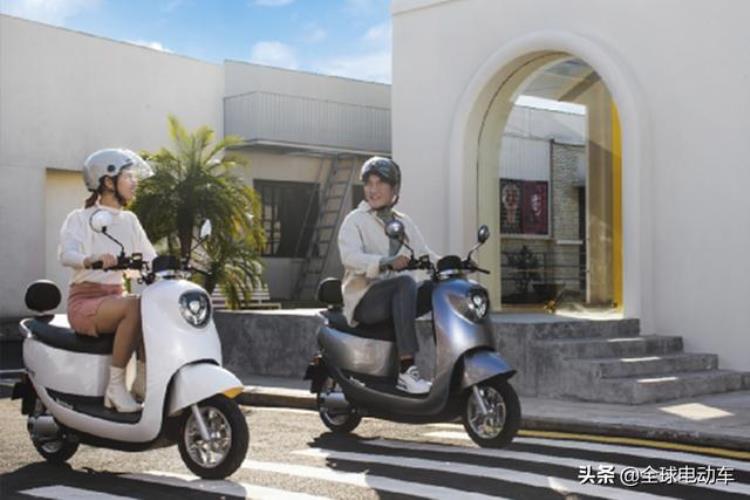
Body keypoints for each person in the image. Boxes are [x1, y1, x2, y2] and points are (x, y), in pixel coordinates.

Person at [58, 148, 157, 412]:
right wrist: (92, 259)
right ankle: (115, 388)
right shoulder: (80, 218)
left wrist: (169, 268)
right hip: (85, 302)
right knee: (135, 305)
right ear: (108, 182)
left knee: (151, 305)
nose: (134, 182)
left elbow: (149, 257)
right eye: (128, 176)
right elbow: (66, 255)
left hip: (115, 298)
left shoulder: (130, 220)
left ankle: (143, 382)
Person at [338, 156, 438, 394]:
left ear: (394, 188)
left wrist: (455, 263)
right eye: (368, 184)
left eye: (380, 183)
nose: (373, 190)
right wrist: (385, 262)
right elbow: (350, 258)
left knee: (440, 288)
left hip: (397, 298)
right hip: (365, 300)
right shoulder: (355, 221)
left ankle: (449, 361)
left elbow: (425, 254)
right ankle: (406, 369)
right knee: (404, 283)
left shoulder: (403, 222)